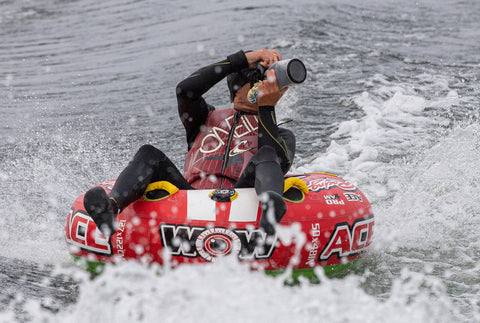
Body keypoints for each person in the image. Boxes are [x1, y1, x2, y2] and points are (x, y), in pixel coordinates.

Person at [84, 49, 296, 239]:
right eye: (260, 81)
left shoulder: (281, 134)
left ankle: (269, 211)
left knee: (267, 152)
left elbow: (280, 162)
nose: (267, 86)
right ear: (238, 87)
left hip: (240, 199)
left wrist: (266, 109)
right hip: (191, 200)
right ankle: (110, 209)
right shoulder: (204, 118)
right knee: (149, 153)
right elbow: (185, 90)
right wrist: (241, 60)